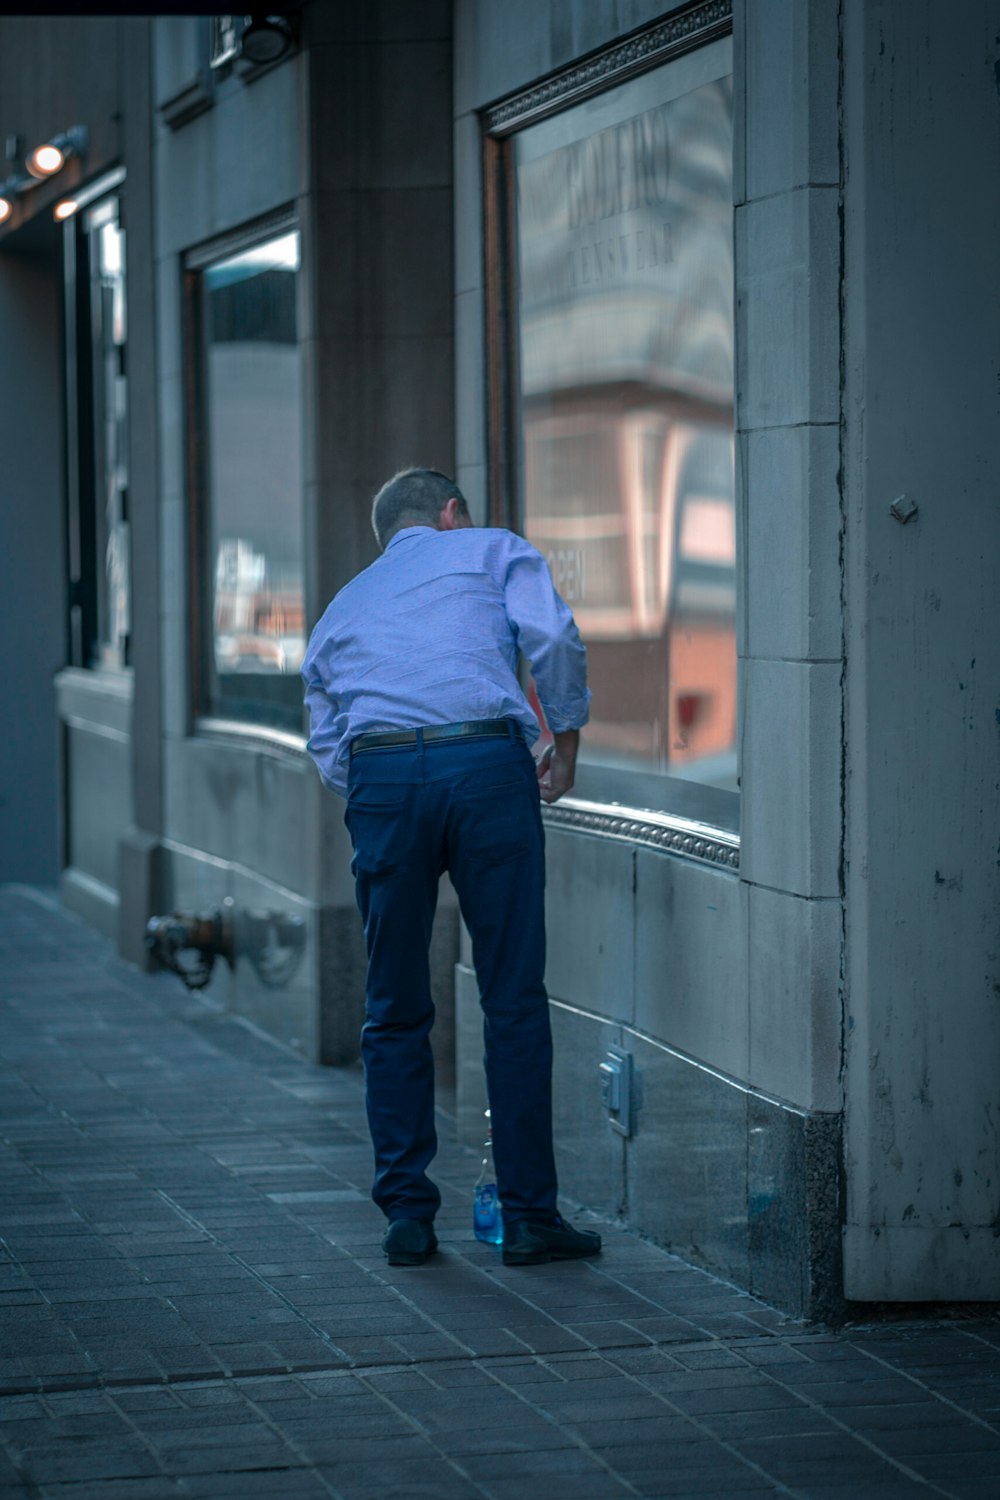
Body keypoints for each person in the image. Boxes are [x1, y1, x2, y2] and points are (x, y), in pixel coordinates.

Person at [301, 467, 601, 1269]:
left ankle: (406, 1215)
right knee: (510, 993)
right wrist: (561, 744)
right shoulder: (489, 548)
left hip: (384, 778)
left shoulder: (343, 606)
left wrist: (384, 785)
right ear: (451, 512)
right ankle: (532, 1217)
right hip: (485, 770)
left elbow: (326, 738)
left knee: (394, 1001)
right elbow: (554, 640)